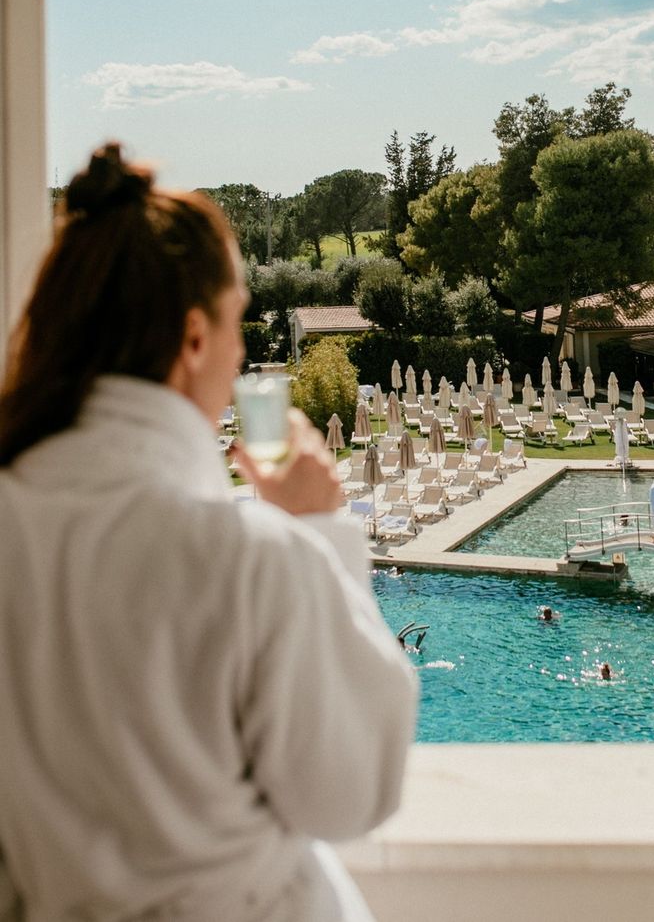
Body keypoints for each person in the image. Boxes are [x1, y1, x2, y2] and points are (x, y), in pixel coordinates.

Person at [0, 145, 417, 922]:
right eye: (236, 321)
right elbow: (353, 790)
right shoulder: (246, 559)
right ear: (194, 339)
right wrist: (319, 533)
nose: (241, 355)